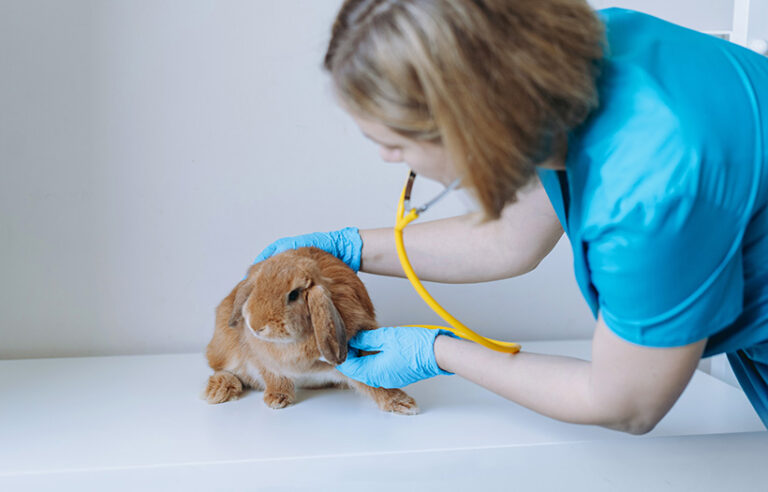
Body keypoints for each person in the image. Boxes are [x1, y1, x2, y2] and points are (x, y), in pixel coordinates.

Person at [253, 0, 768, 434]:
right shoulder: (575, 62)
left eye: (392, 142)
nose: (389, 158)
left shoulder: (654, 191)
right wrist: (347, 247)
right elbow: (510, 241)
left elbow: (627, 403)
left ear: (470, 123)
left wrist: (443, 353)